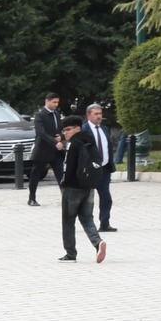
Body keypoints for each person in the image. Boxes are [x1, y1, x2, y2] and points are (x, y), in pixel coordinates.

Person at [57, 115, 109, 264]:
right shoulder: (90, 141)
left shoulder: (74, 144)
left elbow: (69, 167)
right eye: (64, 130)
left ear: (77, 128)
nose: (65, 133)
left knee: (68, 220)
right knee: (87, 218)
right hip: (88, 186)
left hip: (73, 187)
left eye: (68, 129)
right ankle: (98, 242)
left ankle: (70, 253)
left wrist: (63, 183)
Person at [85, 102, 121, 232]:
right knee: (87, 199)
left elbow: (107, 147)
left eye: (100, 114)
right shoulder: (84, 130)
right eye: (96, 114)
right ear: (88, 115)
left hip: (104, 168)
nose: (99, 116)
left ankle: (105, 223)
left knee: (106, 197)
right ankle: (88, 224)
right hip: (89, 169)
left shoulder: (104, 129)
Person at [27, 92, 65, 205]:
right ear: (47, 101)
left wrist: (61, 137)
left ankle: (65, 197)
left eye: (57, 102)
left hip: (56, 151)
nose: (56, 104)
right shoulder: (40, 115)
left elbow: (61, 129)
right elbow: (41, 133)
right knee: (36, 174)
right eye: (54, 102)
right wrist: (54, 142)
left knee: (61, 173)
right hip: (43, 150)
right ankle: (32, 198)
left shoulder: (56, 114)